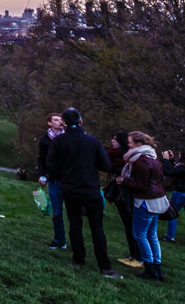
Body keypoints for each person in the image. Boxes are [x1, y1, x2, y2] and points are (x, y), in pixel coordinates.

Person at [46, 107, 119, 278]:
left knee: (75, 224)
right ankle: (105, 265)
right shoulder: (92, 141)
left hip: (70, 188)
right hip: (91, 188)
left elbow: (52, 165)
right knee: (97, 228)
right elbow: (106, 166)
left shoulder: (59, 141)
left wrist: (60, 176)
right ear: (81, 121)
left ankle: (78, 259)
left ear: (64, 122)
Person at [115, 131, 168, 281]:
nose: (128, 145)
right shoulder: (153, 157)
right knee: (152, 235)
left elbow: (142, 186)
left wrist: (124, 181)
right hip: (157, 199)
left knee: (139, 234)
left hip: (146, 201)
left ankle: (150, 268)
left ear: (139, 144)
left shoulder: (142, 160)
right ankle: (157, 267)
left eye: (130, 142)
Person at [106, 132, 141, 269]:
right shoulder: (113, 155)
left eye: (115, 140)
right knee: (127, 225)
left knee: (132, 225)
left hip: (127, 194)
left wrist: (124, 181)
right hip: (120, 193)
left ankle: (138, 256)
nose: (112, 141)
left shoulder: (128, 158)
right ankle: (133, 254)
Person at [36, 112, 67, 250]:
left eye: (61, 119)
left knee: (73, 212)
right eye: (56, 120)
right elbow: (41, 158)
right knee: (57, 211)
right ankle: (60, 240)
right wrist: (42, 175)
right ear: (49, 123)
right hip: (54, 179)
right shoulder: (45, 139)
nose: (60, 121)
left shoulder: (68, 137)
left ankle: (76, 242)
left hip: (68, 178)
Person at [161, 148, 185, 247]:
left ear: (183, 156)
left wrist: (165, 160)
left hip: (181, 193)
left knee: (172, 213)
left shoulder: (182, 168)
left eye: (179, 154)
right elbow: (178, 169)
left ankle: (170, 236)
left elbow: (168, 172)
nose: (178, 155)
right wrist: (172, 160)